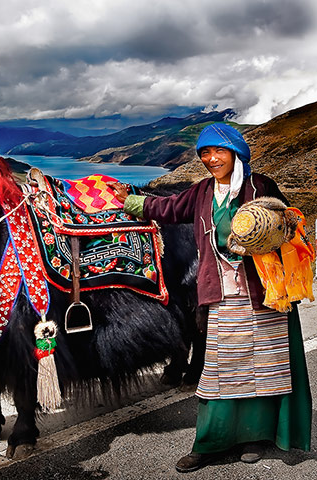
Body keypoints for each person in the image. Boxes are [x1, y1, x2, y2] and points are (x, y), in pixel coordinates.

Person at [109, 123, 313, 473]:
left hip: (263, 291)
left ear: (236, 152)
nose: (211, 158)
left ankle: (255, 438)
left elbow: (286, 223)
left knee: (264, 368)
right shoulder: (202, 191)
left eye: (218, 151)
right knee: (220, 371)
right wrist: (130, 201)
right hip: (220, 293)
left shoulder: (259, 186)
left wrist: (269, 231)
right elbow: (168, 208)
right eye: (204, 153)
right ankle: (211, 442)